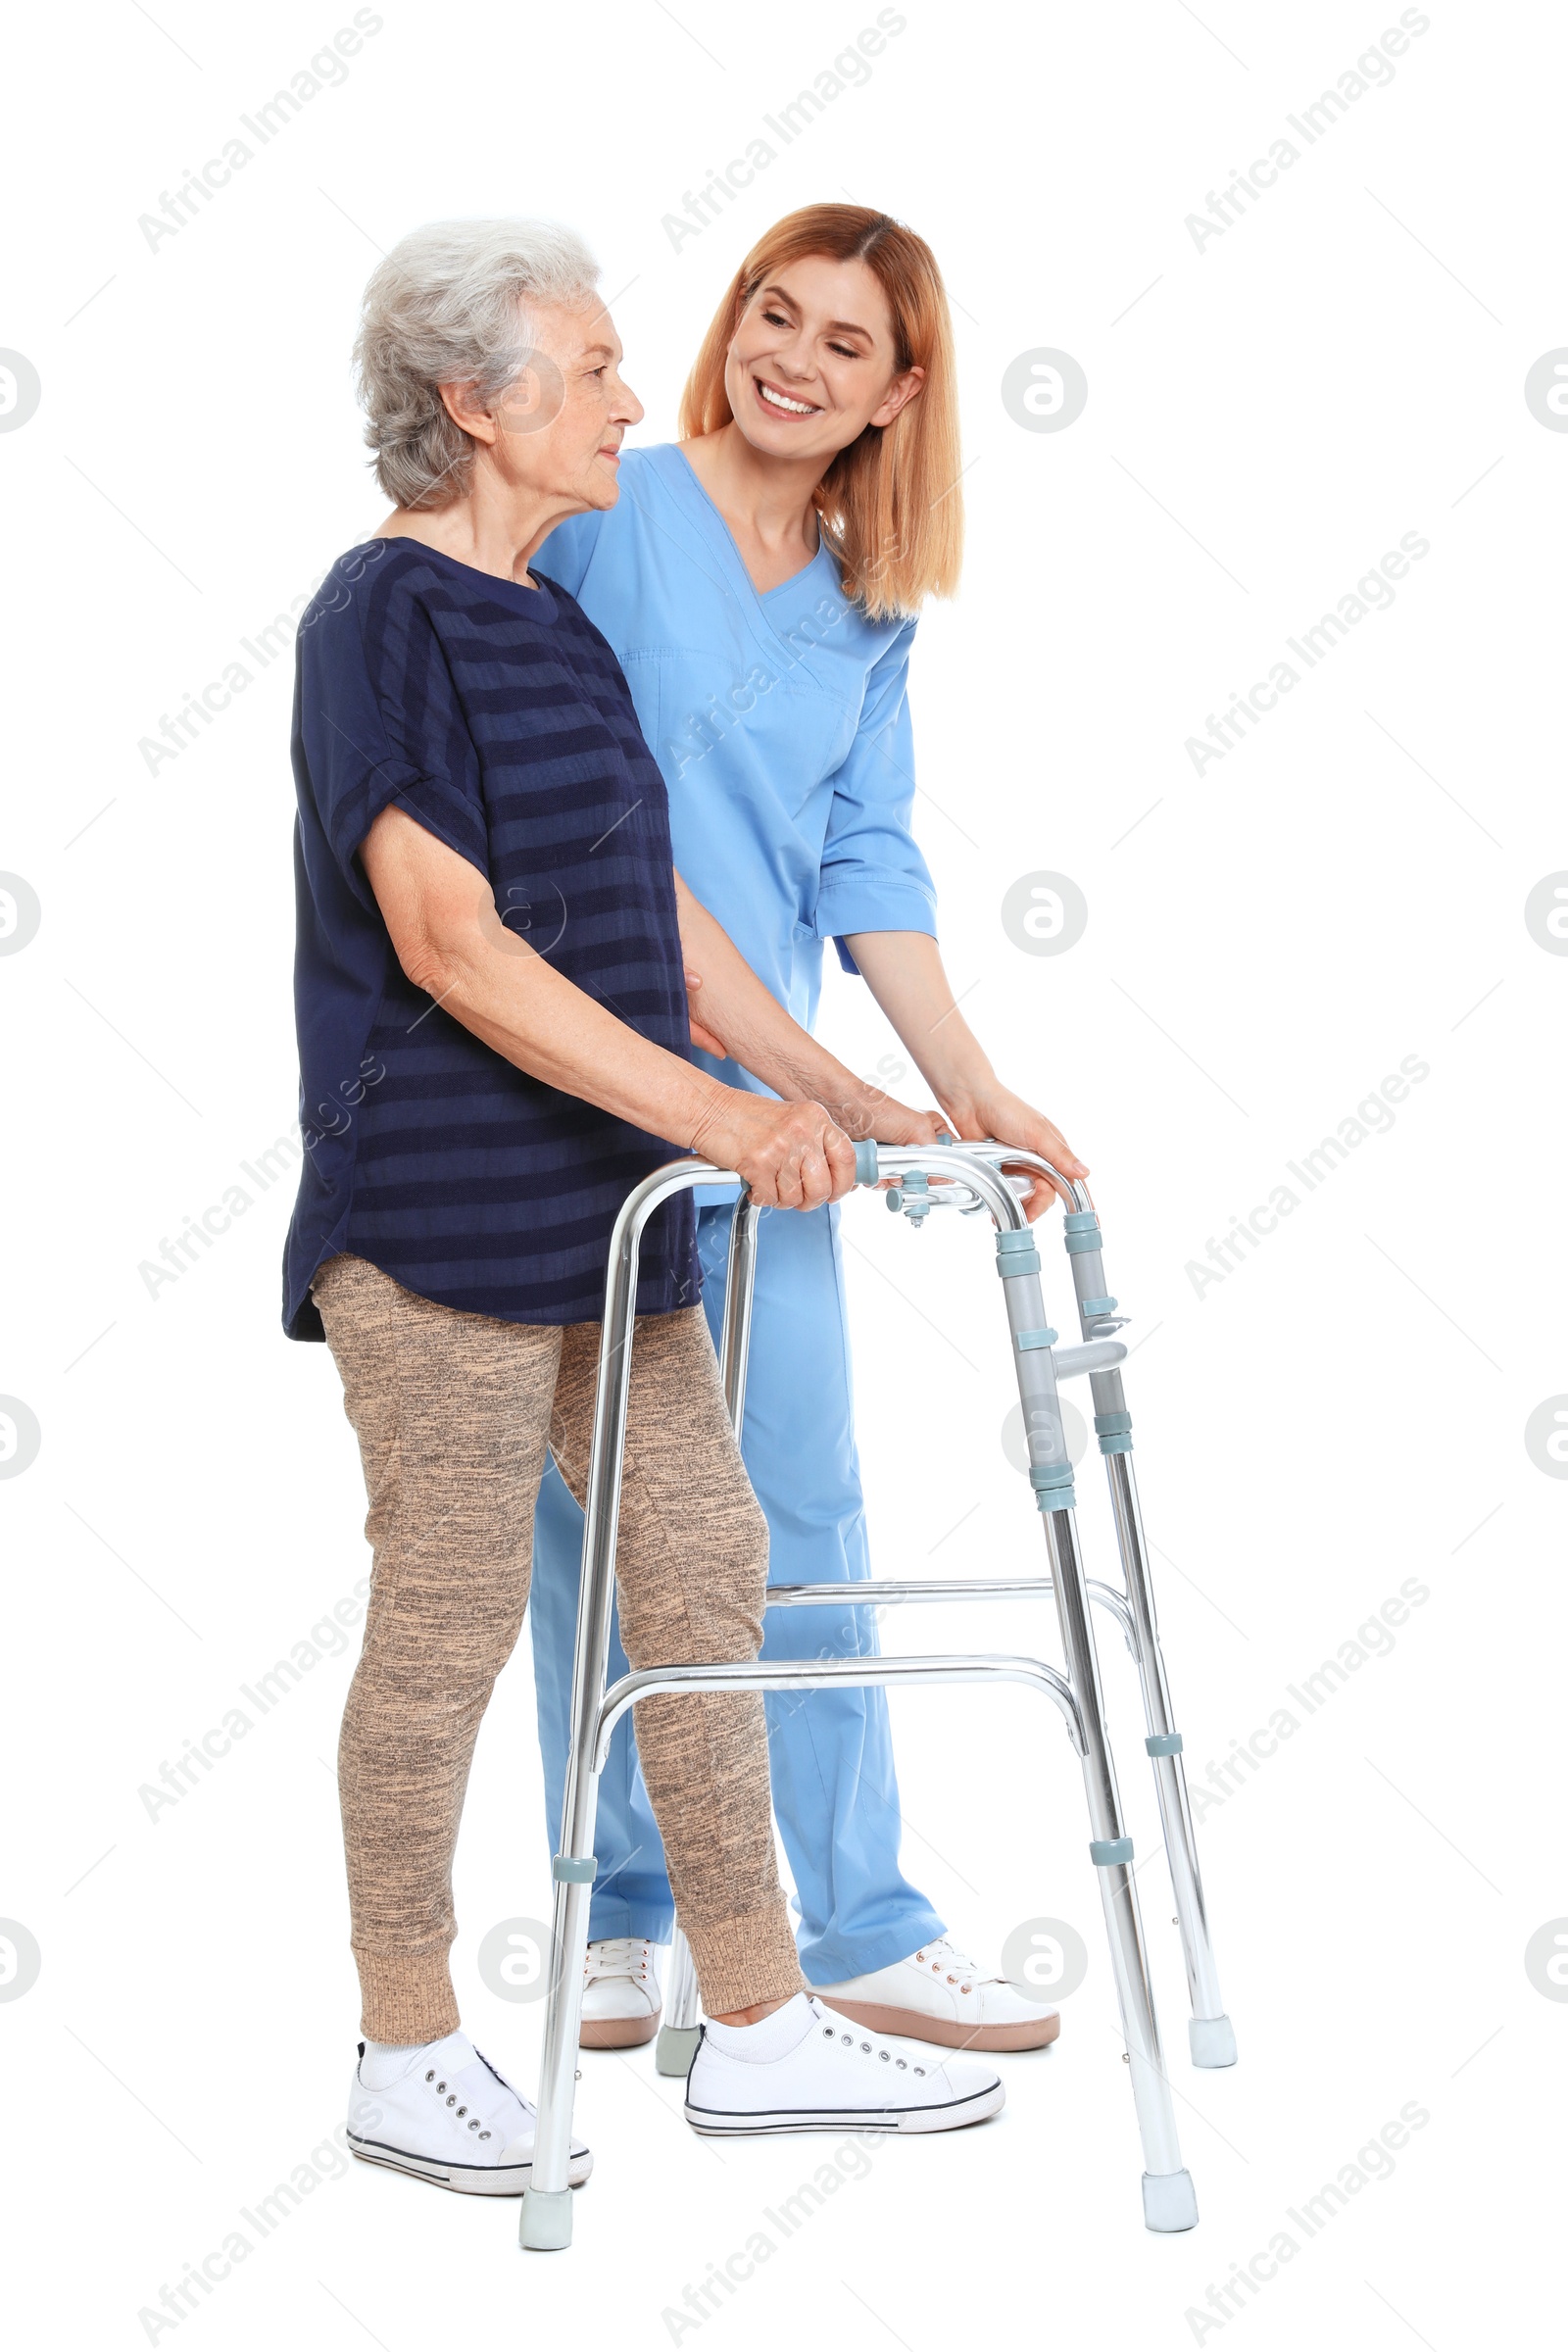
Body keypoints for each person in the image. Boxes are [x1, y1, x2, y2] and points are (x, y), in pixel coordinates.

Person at [283, 217, 1007, 2195]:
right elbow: (451, 939)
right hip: (437, 1230)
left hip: (626, 1223)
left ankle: (763, 2022)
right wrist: (720, 1106)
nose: (638, 392)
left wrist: (840, 1092)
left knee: (704, 1580)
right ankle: (402, 2043)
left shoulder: (553, 627)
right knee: (441, 1630)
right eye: (593, 368)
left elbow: (659, 918)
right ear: (476, 403)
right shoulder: (384, 617)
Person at [527, 206, 1089, 2054]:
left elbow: (869, 861)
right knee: (589, 1508)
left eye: (846, 343)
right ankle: (615, 1912)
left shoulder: (867, 605)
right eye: (775, 315)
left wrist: (971, 1088)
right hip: (573, 1084)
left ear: (901, 390)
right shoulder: (615, 515)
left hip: (778, 1130)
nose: (794, 358)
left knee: (798, 1503)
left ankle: (858, 1918)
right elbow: (560, 808)